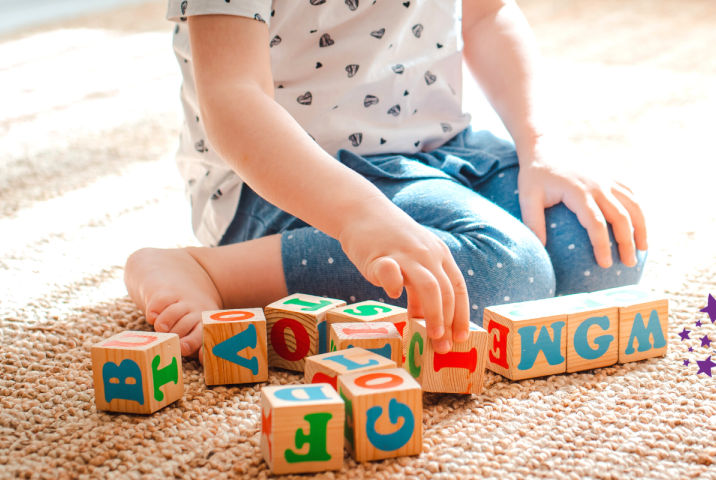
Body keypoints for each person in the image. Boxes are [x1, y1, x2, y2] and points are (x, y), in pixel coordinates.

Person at [125, 0, 649, 359]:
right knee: (509, 276)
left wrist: (543, 147)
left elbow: (487, 15)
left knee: (596, 247)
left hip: (438, 150)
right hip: (299, 182)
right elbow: (233, 98)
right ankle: (212, 270)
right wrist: (359, 218)